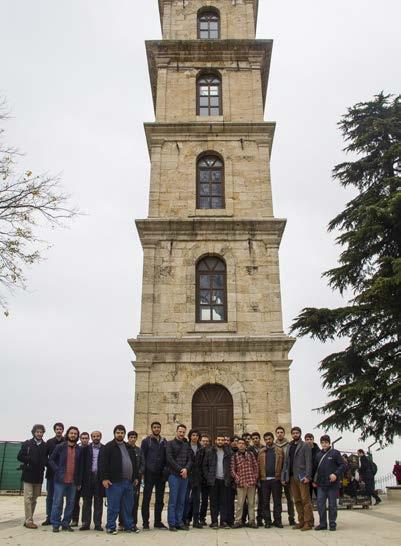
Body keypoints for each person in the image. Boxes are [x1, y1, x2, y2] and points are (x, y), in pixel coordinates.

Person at [98, 424, 139, 535]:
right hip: (114, 482)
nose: (120, 434)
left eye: (122, 433)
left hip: (128, 482)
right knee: (113, 506)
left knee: (128, 506)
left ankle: (129, 526)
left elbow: (134, 463)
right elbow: (102, 464)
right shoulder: (108, 447)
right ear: (114, 434)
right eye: (118, 432)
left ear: (124, 434)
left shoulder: (129, 447)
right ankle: (111, 526)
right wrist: (104, 479)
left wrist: (135, 477)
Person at [49, 426, 84, 532]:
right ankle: (55, 524)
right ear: (67, 434)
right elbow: (51, 460)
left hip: (73, 481)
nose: (73, 435)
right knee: (57, 502)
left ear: (77, 436)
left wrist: (79, 482)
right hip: (60, 480)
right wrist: (57, 470)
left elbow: (80, 466)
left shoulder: (79, 449)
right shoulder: (60, 446)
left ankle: (65, 523)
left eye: (75, 433)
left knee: (71, 503)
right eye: (71, 433)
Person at [282, 426, 313, 531]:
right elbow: (286, 463)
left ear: (300, 434)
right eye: (293, 433)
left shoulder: (305, 445)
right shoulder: (289, 446)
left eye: (297, 433)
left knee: (305, 500)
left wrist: (308, 476)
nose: (295, 434)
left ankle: (308, 522)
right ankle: (301, 521)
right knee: (297, 500)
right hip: (291, 477)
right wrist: (284, 476)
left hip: (302, 477)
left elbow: (309, 462)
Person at [17, 424, 48, 529]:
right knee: (28, 498)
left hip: (39, 475)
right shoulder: (27, 443)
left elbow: (46, 458)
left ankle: (28, 519)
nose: (39, 433)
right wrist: (29, 459)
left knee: (34, 499)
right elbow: (19, 456)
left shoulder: (45, 445)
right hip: (28, 474)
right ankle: (29, 520)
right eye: (37, 432)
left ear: (43, 433)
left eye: (41, 432)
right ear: (34, 433)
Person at [314, 435, 345, 532]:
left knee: (332, 505)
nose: (324, 444)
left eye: (326, 442)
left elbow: (343, 465)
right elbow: (315, 469)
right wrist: (314, 481)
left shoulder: (335, 453)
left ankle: (332, 523)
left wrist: (335, 474)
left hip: (332, 484)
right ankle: (323, 523)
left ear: (329, 443)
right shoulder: (318, 455)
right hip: (321, 485)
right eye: (322, 442)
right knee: (320, 504)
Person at [140, 421, 168, 530]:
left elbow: (166, 457)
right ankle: (145, 523)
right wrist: (143, 472)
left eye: (158, 427)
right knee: (146, 498)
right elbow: (143, 457)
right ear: (151, 428)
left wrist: (165, 471)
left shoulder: (164, 442)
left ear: (160, 429)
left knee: (160, 499)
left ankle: (158, 522)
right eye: (154, 427)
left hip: (161, 475)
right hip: (149, 473)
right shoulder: (146, 441)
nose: (156, 429)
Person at [165, 424, 192, 531]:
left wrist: (186, 469)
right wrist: (181, 469)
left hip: (184, 476)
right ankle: (172, 523)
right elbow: (169, 459)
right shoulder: (170, 444)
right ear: (176, 432)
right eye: (180, 432)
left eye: (183, 432)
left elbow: (190, 459)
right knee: (173, 501)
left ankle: (179, 522)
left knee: (181, 500)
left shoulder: (186, 445)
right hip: (174, 476)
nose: (181, 434)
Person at [203, 433, 233, 528]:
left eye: (222, 440)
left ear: (224, 441)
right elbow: (205, 465)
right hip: (213, 480)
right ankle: (214, 521)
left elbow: (231, 466)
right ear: (215, 441)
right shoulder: (210, 451)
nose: (220, 441)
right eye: (218, 440)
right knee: (213, 502)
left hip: (224, 480)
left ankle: (223, 521)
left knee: (224, 502)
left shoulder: (228, 452)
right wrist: (208, 477)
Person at [258, 432, 284, 529]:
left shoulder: (279, 451)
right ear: (264, 440)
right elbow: (258, 465)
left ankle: (277, 520)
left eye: (269, 439)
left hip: (276, 480)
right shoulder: (261, 452)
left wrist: (282, 477)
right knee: (265, 502)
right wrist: (258, 479)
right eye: (266, 439)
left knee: (277, 502)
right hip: (264, 480)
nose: (268, 441)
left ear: (273, 439)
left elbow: (283, 465)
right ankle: (267, 521)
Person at [231, 438, 258, 529]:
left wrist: (254, 478)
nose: (241, 445)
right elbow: (233, 470)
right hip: (241, 484)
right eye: (239, 443)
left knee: (251, 503)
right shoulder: (234, 456)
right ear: (237, 445)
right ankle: (238, 521)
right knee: (240, 504)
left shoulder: (250, 454)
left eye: (243, 443)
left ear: (245, 445)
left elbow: (255, 466)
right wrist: (238, 480)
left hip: (251, 483)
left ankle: (252, 521)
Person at [79, 430, 104, 531]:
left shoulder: (105, 448)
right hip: (87, 479)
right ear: (91, 437)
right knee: (86, 502)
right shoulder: (85, 449)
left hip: (99, 479)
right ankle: (85, 523)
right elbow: (81, 465)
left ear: (100, 437)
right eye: (94, 436)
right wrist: (80, 480)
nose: (96, 438)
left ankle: (98, 524)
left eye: (98, 436)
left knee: (98, 502)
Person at [42, 422, 65, 526]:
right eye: (57, 429)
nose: (59, 431)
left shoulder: (66, 442)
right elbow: (45, 457)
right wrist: (51, 467)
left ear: (63, 430)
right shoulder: (49, 442)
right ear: (54, 430)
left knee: (60, 497)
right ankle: (49, 517)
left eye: (60, 429)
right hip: (51, 474)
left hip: (63, 475)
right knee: (50, 496)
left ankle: (58, 517)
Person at [274, 426, 295, 526]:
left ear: (284, 433)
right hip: (277, 475)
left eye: (281, 432)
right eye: (278, 432)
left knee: (289, 498)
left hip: (287, 475)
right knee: (277, 499)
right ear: (276, 434)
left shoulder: (289, 445)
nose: (279, 434)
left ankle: (292, 518)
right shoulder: (273, 446)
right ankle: (277, 519)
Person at [125, 431, 143, 532]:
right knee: (124, 502)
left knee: (134, 502)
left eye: (134, 437)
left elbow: (142, 464)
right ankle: (122, 523)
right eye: (131, 437)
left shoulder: (139, 450)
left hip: (136, 480)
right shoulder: (124, 449)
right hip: (125, 479)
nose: (132, 439)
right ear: (128, 438)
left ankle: (133, 523)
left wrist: (138, 474)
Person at [184, 429, 203, 528]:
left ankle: (196, 521)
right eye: (193, 435)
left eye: (197, 435)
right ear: (190, 436)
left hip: (197, 476)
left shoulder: (201, 448)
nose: (195, 437)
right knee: (186, 498)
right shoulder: (186, 446)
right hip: (187, 474)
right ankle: (186, 519)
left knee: (196, 499)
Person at [71, 432, 90, 527]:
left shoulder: (91, 449)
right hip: (77, 478)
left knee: (86, 502)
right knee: (75, 501)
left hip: (87, 480)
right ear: (80, 439)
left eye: (86, 438)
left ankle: (85, 522)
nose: (84, 440)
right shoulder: (77, 449)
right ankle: (74, 519)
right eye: (83, 438)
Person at [249, 432, 263, 526]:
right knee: (251, 500)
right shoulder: (248, 450)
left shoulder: (264, 448)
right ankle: (250, 519)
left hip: (262, 476)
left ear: (259, 438)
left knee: (262, 499)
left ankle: (260, 519)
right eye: (253, 438)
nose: (255, 440)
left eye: (256, 438)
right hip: (252, 477)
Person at [199, 434, 210, 526]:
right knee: (193, 499)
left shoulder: (210, 452)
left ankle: (202, 518)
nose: (205, 443)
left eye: (207, 441)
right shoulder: (198, 451)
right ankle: (189, 517)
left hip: (207, 480)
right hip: (198, 479)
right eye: (203, 441)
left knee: (205, 500)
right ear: (200, 441)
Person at [305, 433, 319, 500]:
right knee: (307, 499)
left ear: (313, 440)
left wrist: (315, 479)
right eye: (307, 439)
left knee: (319, 498)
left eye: (311, 439)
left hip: (316, 478)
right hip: (307, 478)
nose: (309, 441)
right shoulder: (303, 451)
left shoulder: (318, 452)